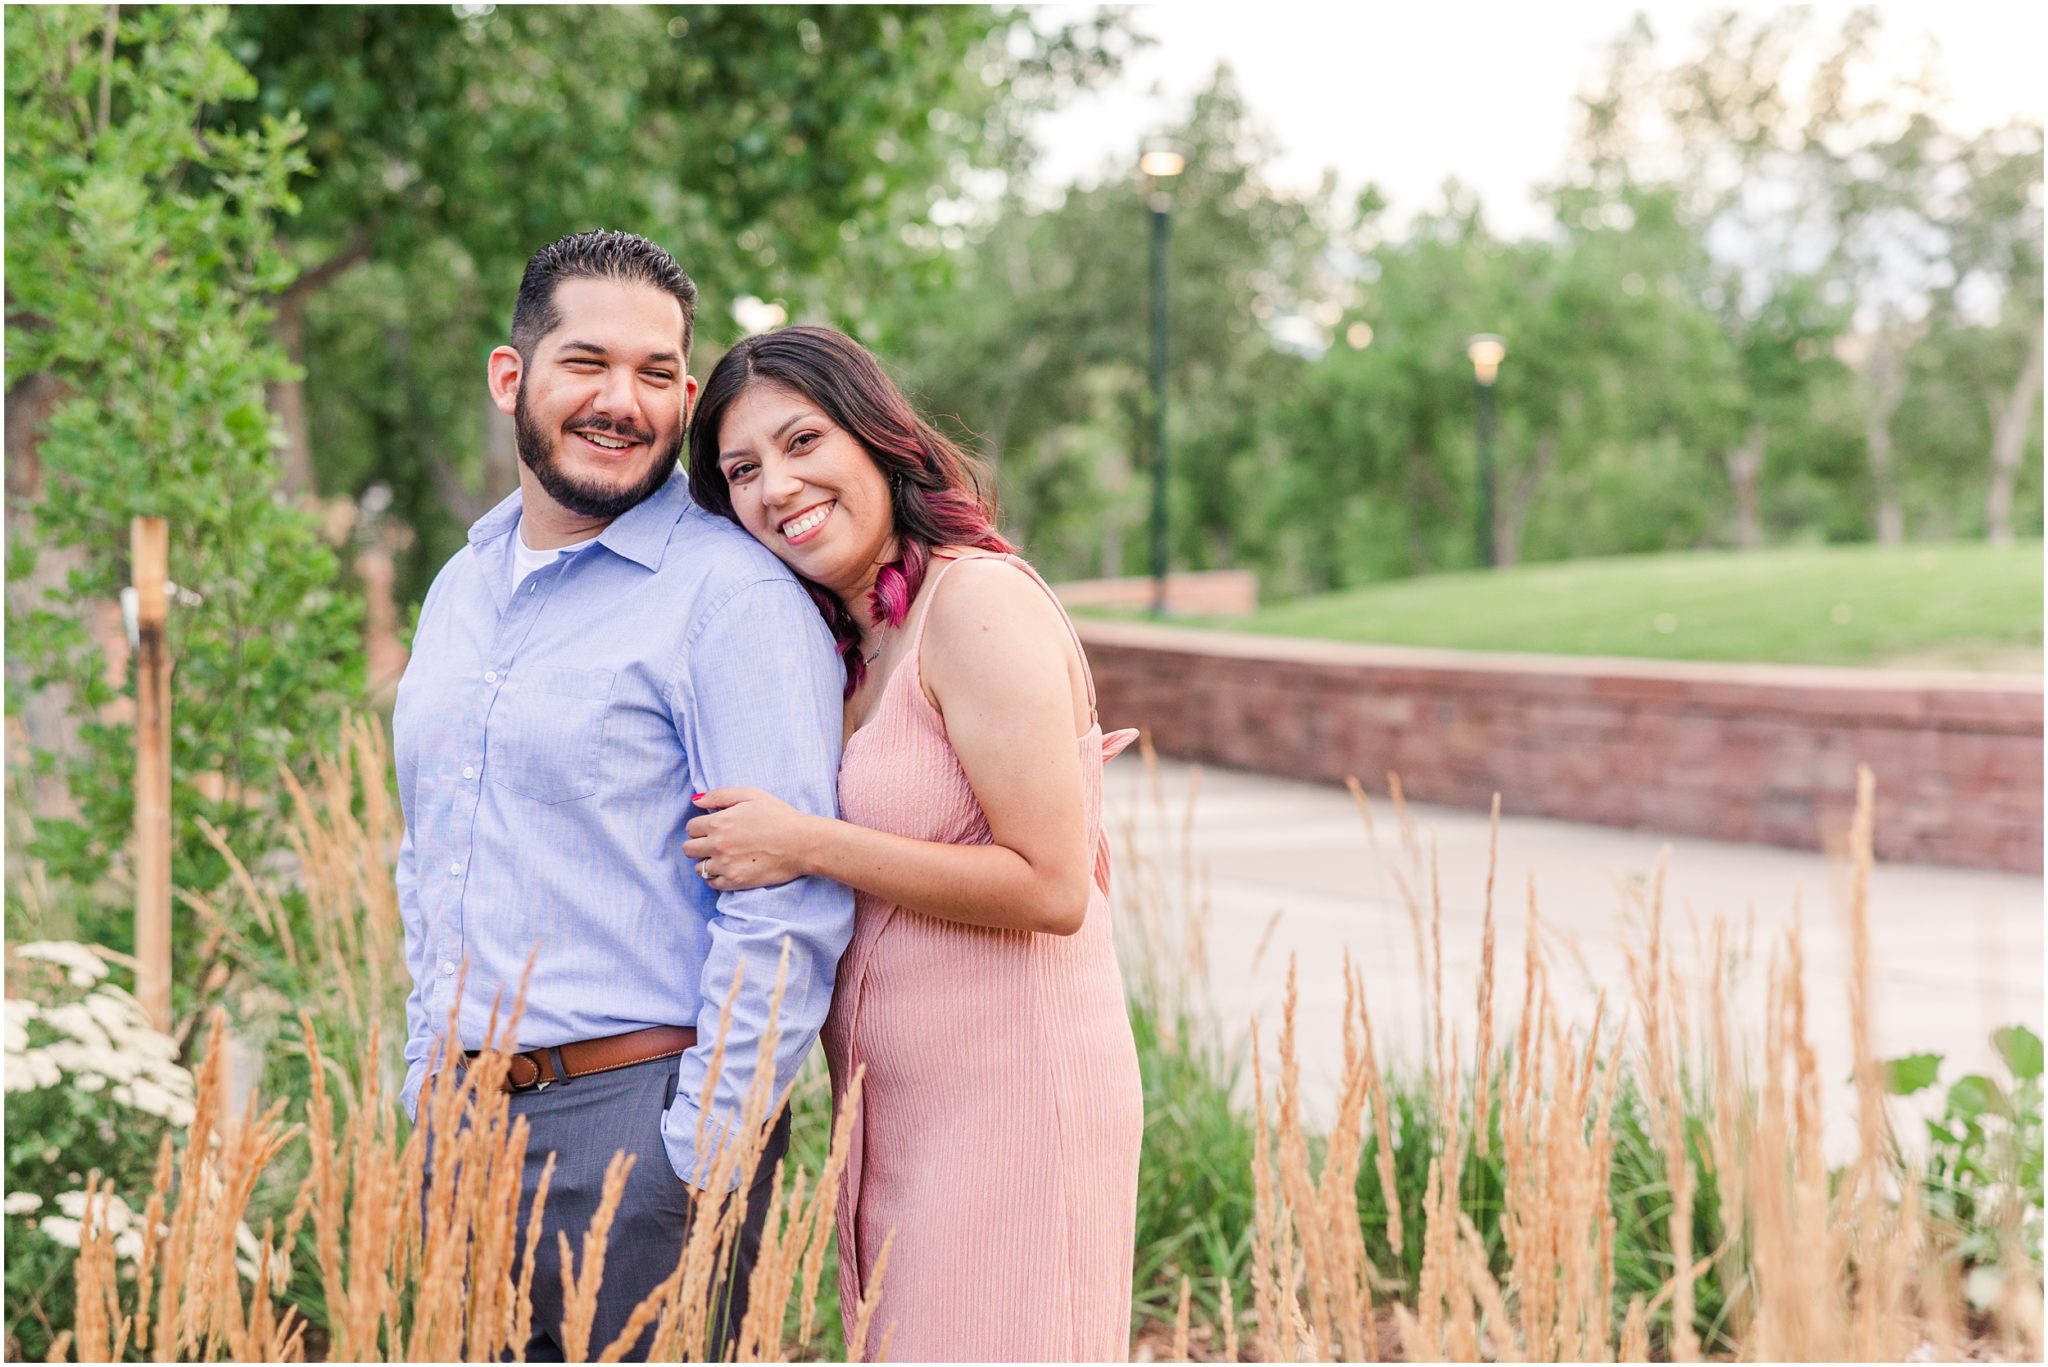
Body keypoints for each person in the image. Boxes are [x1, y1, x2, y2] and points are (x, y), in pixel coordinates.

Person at [392, 231, 853, 1360]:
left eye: (656, 374)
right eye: (586, 363)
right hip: (457, 1127)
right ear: (514, 378)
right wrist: (422, 1074)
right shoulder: (461, 586)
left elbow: (787, 900)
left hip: (633, 1126)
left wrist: (694, 1149)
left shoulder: (730, 599)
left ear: (686, 396)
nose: (622, 400)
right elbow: (435, 845)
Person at [680, 325, 1145, 1361]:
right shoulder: (846, 645)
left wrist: (807, 841)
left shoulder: (973, 603)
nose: (776, 485)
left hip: (1014, 1106)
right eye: (741, 470)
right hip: (897, 1122)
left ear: (876, 438)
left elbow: (1050, 883)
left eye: (803, 441)